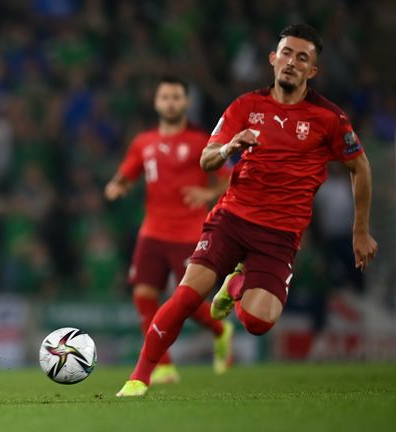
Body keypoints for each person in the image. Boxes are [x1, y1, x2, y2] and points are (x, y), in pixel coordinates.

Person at [116, 23, 378, 397]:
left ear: (312, 71)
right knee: (188, 295)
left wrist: (360, 230)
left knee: (257, 322)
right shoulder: (245, 106)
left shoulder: (328, 119)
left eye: (302, 58)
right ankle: (139, 378)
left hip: (280, 236)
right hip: (231, 220)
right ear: (273, 59)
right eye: (286, 53)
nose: (291, 62)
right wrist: (229, 148)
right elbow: (207, 160)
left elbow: (360, 166)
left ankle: (237, 283)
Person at [105, 77, 233, 392]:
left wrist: (208, 195)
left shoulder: (202, 140)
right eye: (165, 97)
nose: (171, 102)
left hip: (190, 232)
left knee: (185, 301)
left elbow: (228, 179)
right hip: (152, 232)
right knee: (143, 297)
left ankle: (220, 330)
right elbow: (126, 174)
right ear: (156, 103)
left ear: (186, 103)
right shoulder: (143, 142)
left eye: (177, 97)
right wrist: (117, 186)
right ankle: (162, 366)